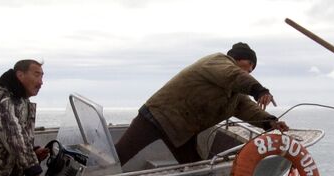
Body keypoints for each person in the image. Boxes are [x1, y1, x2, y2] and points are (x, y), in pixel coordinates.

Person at [114, 42, 288, 167]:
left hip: (182, 132)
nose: (250, 70)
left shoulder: (235, 94)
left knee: (195, 168)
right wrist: (259, 90)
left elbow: (247, 108)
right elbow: (233, 75)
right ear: (237, 58)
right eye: (250, 64)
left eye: (253, 69)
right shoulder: (217, 61)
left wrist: (270, 122)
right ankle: (86, 170)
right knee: (119, 154)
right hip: (156, 117)